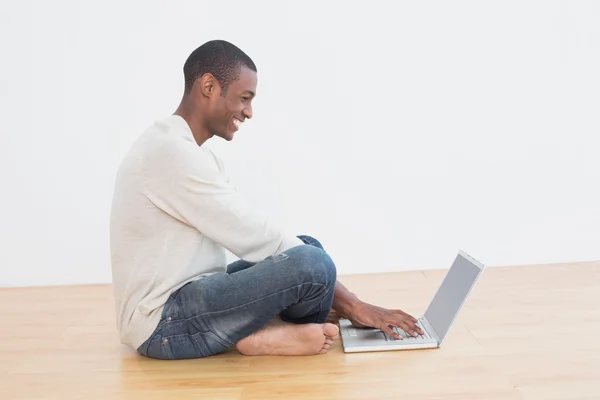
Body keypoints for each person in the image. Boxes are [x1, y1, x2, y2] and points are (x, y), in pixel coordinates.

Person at [109, 39, 423, 360]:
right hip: (164, 324)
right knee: (313, 264)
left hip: (192, 296)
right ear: (208, 86)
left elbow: (258, 238)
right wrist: (353, 305)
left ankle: (264, 331)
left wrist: (339, 297)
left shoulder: (187, 150)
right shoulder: (171, 153)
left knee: (308, 245)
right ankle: (266, 330)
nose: (248, 112)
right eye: (244, 98)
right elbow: (254, 237)